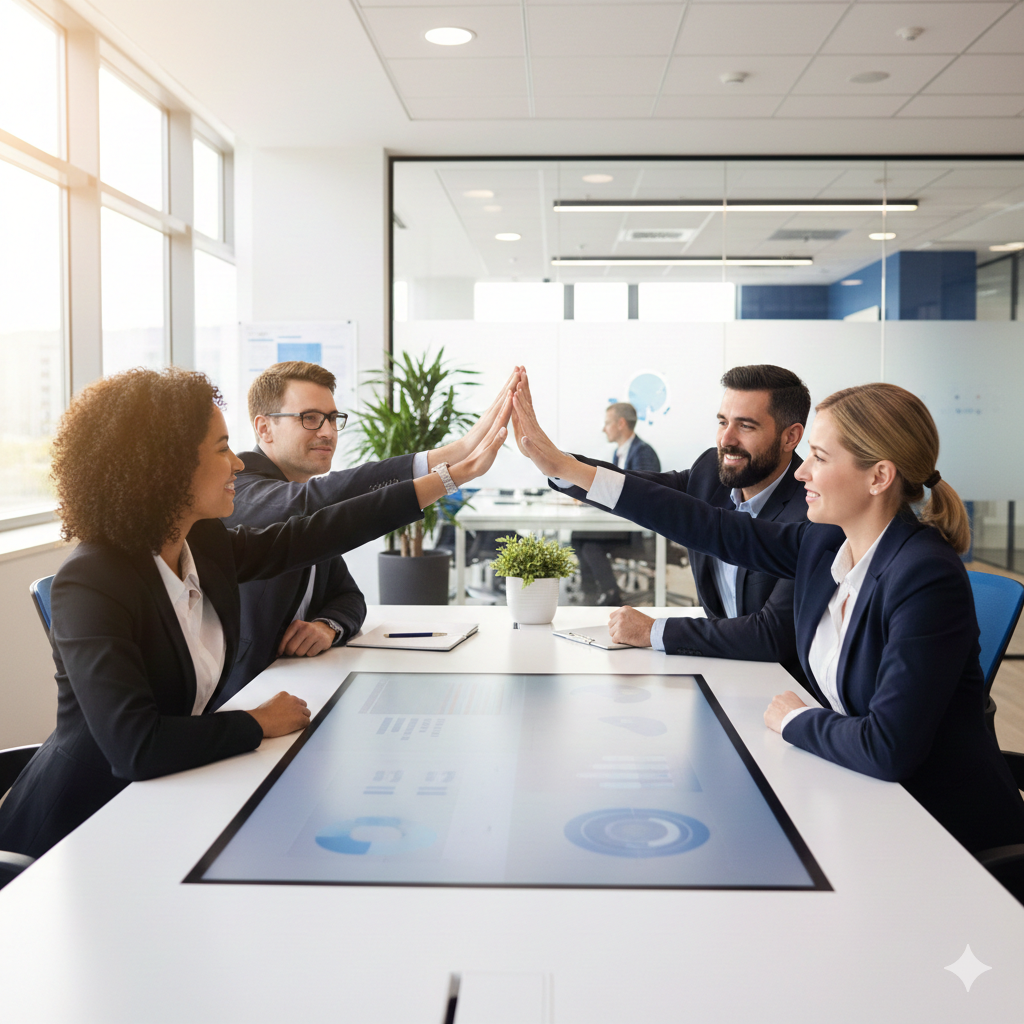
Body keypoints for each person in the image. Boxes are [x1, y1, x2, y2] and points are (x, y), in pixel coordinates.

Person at [0, 366, 512, 859]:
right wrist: (257, 721)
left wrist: (446, 478)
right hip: (76, 834)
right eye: (222, 449)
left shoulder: (199, 542)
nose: (239, 464)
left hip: (165, 804)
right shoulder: (93, 580)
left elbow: (311, 535)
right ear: (167, 466)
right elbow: (136, 746)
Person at [512, 373, 1024, 854]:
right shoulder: (826, 542)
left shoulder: (924, 574)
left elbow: (886, 747)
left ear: (879, 476)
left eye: (819, 457)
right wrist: (565, 469)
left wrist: (795, 718)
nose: (801, 470)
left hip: (937, 836)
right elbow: (710, 527)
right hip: (855, 797)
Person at [217, 360, 515, 705]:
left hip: (303, 683)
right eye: (309, 418)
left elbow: (349, 598)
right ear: (264, 428)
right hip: (242, 696)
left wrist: (327, 626)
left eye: (332, 418)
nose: (327, 432)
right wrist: (447, 462)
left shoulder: (311, 509)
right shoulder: (242, 489)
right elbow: (306, 504)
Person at [558, 365, 810, 684]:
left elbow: (772, 636)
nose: (726, 439)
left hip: (785, 689)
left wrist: (653, 631)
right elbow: (642, 490)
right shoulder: (710, 472)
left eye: (745, 426)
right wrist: (562, 467)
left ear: (791, 436)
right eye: (722, 422)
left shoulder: (813, 507)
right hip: (719, 671)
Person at [575, 402, 661, 605]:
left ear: (621, 423)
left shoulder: (643, 453)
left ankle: (610, 593)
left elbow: (641, 495)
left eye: (607, 423)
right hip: (620, 524)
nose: (604, 429)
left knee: (588, 544)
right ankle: (593, 593)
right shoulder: (620, 453)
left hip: (635, 530)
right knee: (577, 537)